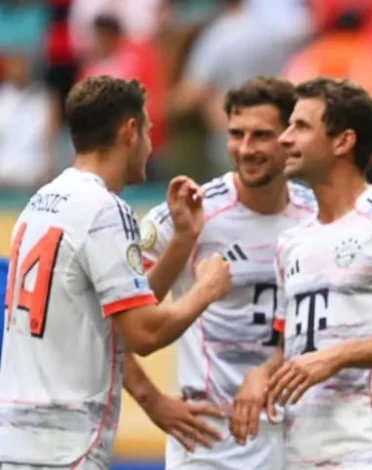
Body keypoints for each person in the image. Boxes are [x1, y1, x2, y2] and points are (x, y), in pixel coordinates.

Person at [0, 76, 231, 470]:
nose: (151, 145)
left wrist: (182, 240)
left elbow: (120, 310)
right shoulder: (105, 210)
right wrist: (206, 289)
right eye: (149, 130)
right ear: (129, 130)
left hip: (18, 434)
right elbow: (144, 333)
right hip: (67, 444)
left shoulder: (41, 200)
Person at [229, 77, 372, 470]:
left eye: (300, 127)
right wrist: (260, 374)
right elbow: (294, 349)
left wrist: (341, 356)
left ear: (342, 141)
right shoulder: (292, 242)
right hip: (300, 457)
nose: (284, 139)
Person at [124, 76, 317, 469]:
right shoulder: (186, 215)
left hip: (301, 439)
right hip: (210, 446)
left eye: (261, 135)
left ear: (290, 137)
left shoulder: (319, 216)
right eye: (236, 134)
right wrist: (153, 402)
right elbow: (114, 324)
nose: (246, 149)